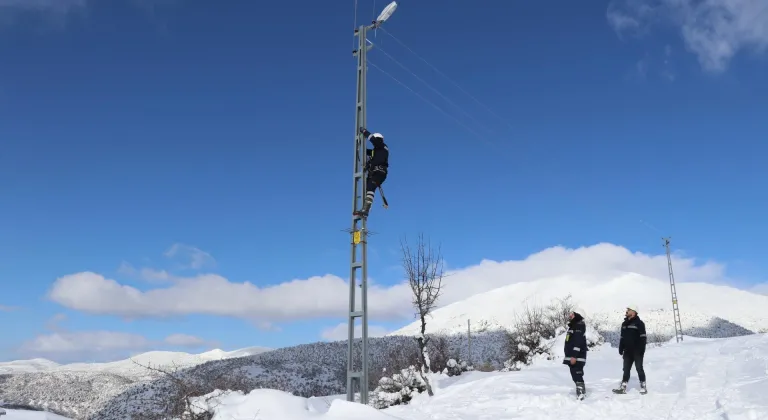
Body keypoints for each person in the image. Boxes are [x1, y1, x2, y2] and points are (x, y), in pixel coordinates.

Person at [354, 127, 389, 217]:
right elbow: (368, 152)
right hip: (376, 173)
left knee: (370, 187)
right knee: (367, 187)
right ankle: (365, 208)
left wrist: (364, 132)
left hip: (379, 172)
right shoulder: (377, 150)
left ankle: (366, 209)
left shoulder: (381, 146)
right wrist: (360, 147)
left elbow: (373, 140)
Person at [613, 304, 647, 394]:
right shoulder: (624, 324)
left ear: (634, 312)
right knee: (626, 369)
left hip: (637, 351)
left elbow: (643, 338)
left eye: (629, 309)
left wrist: (641, 350)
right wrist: (621, 348)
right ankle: (623, 387)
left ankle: (643, 386)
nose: (627, 311)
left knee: (639, 368)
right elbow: (622, 337)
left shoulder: (639, 324)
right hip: (627, 351)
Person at [563, 308, 588, 400]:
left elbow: (578, 342)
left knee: (577, 374)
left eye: (572, 314)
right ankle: (580, 392)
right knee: (575, 375)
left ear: (578, 315)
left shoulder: (578, 326)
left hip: (577, 357)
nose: (570, 315)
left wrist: (574, 356)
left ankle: (581, 394)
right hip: (573, 357)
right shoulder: (574, 326)